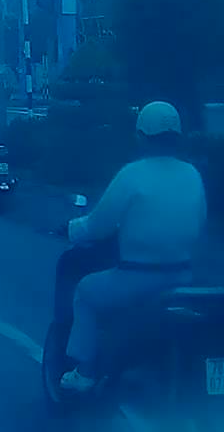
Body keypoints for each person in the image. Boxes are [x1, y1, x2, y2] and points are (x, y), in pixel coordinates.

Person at [59, 101, 207, 392]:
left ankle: (85, 372)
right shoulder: (192, 174)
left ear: (141, 136)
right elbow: (199, 222)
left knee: (85, 292)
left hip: (136, 278)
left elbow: (98, 225)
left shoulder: (132, 174)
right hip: (182, 278)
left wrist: (71, 229)